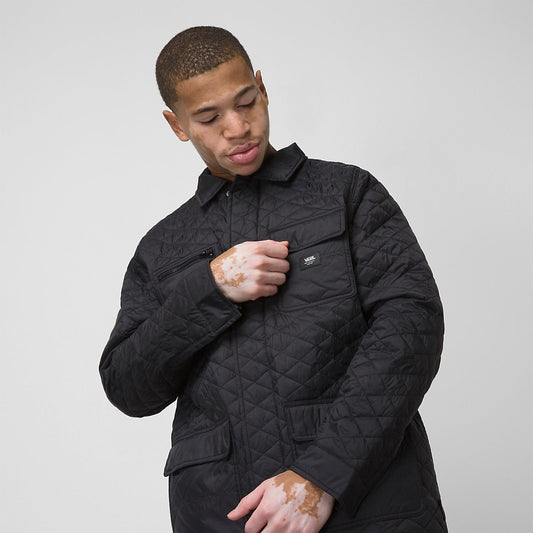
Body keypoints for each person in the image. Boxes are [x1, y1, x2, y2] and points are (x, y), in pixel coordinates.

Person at [99, 26, 447, 533]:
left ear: (262, 88)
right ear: (177, 125)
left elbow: (410, 330)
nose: (238, 127)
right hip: (222, 514)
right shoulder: (162, 248)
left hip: (368, 505)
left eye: (246, 102)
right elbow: (128, 387)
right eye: (209, 118)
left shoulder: (346, 193)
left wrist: (322, 475)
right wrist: (209, 290)